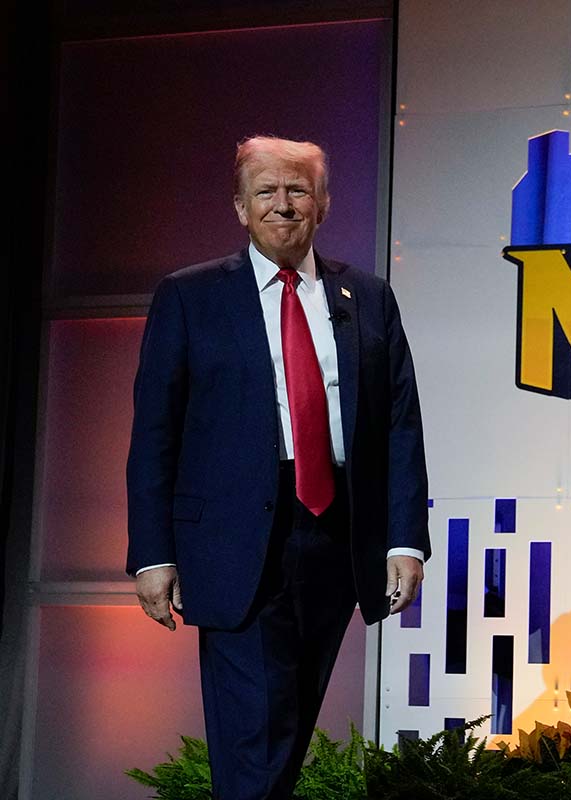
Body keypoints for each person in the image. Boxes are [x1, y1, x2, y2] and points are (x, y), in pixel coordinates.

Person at [125, 135, 430, 799]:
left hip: (337, 537)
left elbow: (400, 426)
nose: (283, 205)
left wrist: (404, 540)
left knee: (286, 730)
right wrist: (153, 553)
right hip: (236, 542)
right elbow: (154, 431)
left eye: (298, 190)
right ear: (240, 206)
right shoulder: (190, 296)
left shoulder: (369, 298)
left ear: (321, 204)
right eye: (266, 191)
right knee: (257, 732)